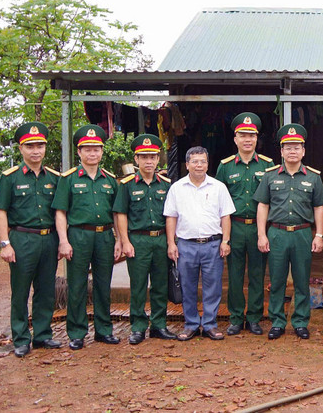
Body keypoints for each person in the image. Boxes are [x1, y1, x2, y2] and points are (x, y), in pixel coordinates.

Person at [0, 122, 61, 358]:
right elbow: (0, 211)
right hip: (21, 239)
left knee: (46, 291)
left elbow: (60, 213)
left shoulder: (54, 177)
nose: (35, 150)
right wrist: (5, 243)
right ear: (21, 149)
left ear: (45, 148)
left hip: (48, 239)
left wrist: (62, 240)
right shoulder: (9, 178)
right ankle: (21, 338)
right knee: (20, 292)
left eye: (40, 145)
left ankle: (42, 335)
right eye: (30, 146)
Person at [254, 124, 323, 340]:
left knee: (302, 280)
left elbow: (319, 207)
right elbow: (263, 206)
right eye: (288, 147)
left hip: (303, 233)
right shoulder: (270, 176)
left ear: (303, 151)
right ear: (281, 151)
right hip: (277, 233)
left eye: (296, 147)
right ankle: (277, 322)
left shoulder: (313, 177)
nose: (292, 151)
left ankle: (300, 322)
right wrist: (261, 234)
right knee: (276, 280)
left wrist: (319, 235)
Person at [53, 124, 121, 350]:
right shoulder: (69, 179)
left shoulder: (110, 179)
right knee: (77, 286)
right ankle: (77, 332)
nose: (92, 153)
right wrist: (63, 240)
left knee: (103, 285)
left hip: (104, 237)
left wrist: (120, 239)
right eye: (87, 149)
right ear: (79, 152)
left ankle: (104, 330)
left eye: (96, 149)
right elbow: (60, 212)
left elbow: (117, 213)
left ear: (102, 151)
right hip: (78, 236)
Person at [164, 146, 235, 341]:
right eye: (194, 161)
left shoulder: (218, 187)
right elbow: (171, 217)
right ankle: (191, 324)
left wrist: (225, 241)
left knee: (213, 286)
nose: (199, 165)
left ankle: (210, 324)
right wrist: (172, 243)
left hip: (213, 244)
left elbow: (225, 216)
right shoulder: (177, 188)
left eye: (202, 161)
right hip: (186, 244)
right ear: (187, 165)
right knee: (187, 286)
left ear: (207, 163)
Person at [114, 134, 177, 345]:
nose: (149, 161)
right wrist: (125, 241)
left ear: (159, 159)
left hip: (160, 239)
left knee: (160, 285)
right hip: (138, 240)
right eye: (144, 157)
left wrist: (171, 242)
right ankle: (138, 327)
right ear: (136, 160)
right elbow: (121, 214)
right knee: (139, 286)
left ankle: (159, 325)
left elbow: (171, 216)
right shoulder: (127, 185)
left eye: (152, 156)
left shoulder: (167, 185)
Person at [215, 112, 274, 336]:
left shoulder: (268, 165)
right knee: (235, 275)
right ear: (235, 139)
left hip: (260, 228)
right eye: (243, 135)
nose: (247, 139)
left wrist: (265, 232)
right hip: (235, 226)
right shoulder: (225, 166)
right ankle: (236, 318)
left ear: (257, 138)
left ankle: (255, 318)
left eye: (252, 135)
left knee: (258, 275)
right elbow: (218, 201)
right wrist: (224, 236)